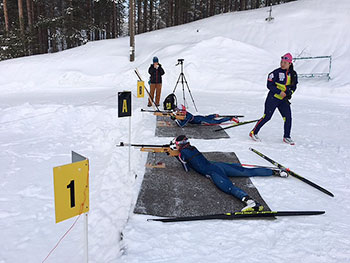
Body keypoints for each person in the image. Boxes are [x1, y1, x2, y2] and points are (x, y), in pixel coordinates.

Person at [170, 135, 288, 212]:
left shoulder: (182, 153)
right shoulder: (193, 147)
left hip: (212, 171)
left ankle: (250, 202)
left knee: (229, 187)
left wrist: (177, 157)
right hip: (217, 165)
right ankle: (276, 172)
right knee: (246, 171)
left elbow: (186, 168)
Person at [250, 53, 298, 145]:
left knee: (288, 118)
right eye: (281, 62)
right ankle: (254, 132)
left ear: (290, 64)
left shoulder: (293, 74)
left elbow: (294, 86)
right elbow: (269, 85)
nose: (282, 64)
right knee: (267, 117)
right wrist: (280, 92)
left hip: (283, 100)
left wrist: (289, 93)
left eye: (285, 62)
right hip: (273, 98)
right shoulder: (275, 73)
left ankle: (287, 136)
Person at [174, 105, 239, 128]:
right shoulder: (184, 113)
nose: (177, 111)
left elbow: (181, 125)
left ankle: (231, 118)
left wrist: (175, 119)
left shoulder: (187, 116)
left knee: (216, 122)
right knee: (206, 117)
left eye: (178, 110)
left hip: (200, 120)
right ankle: (213, 115)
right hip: (199, 118)